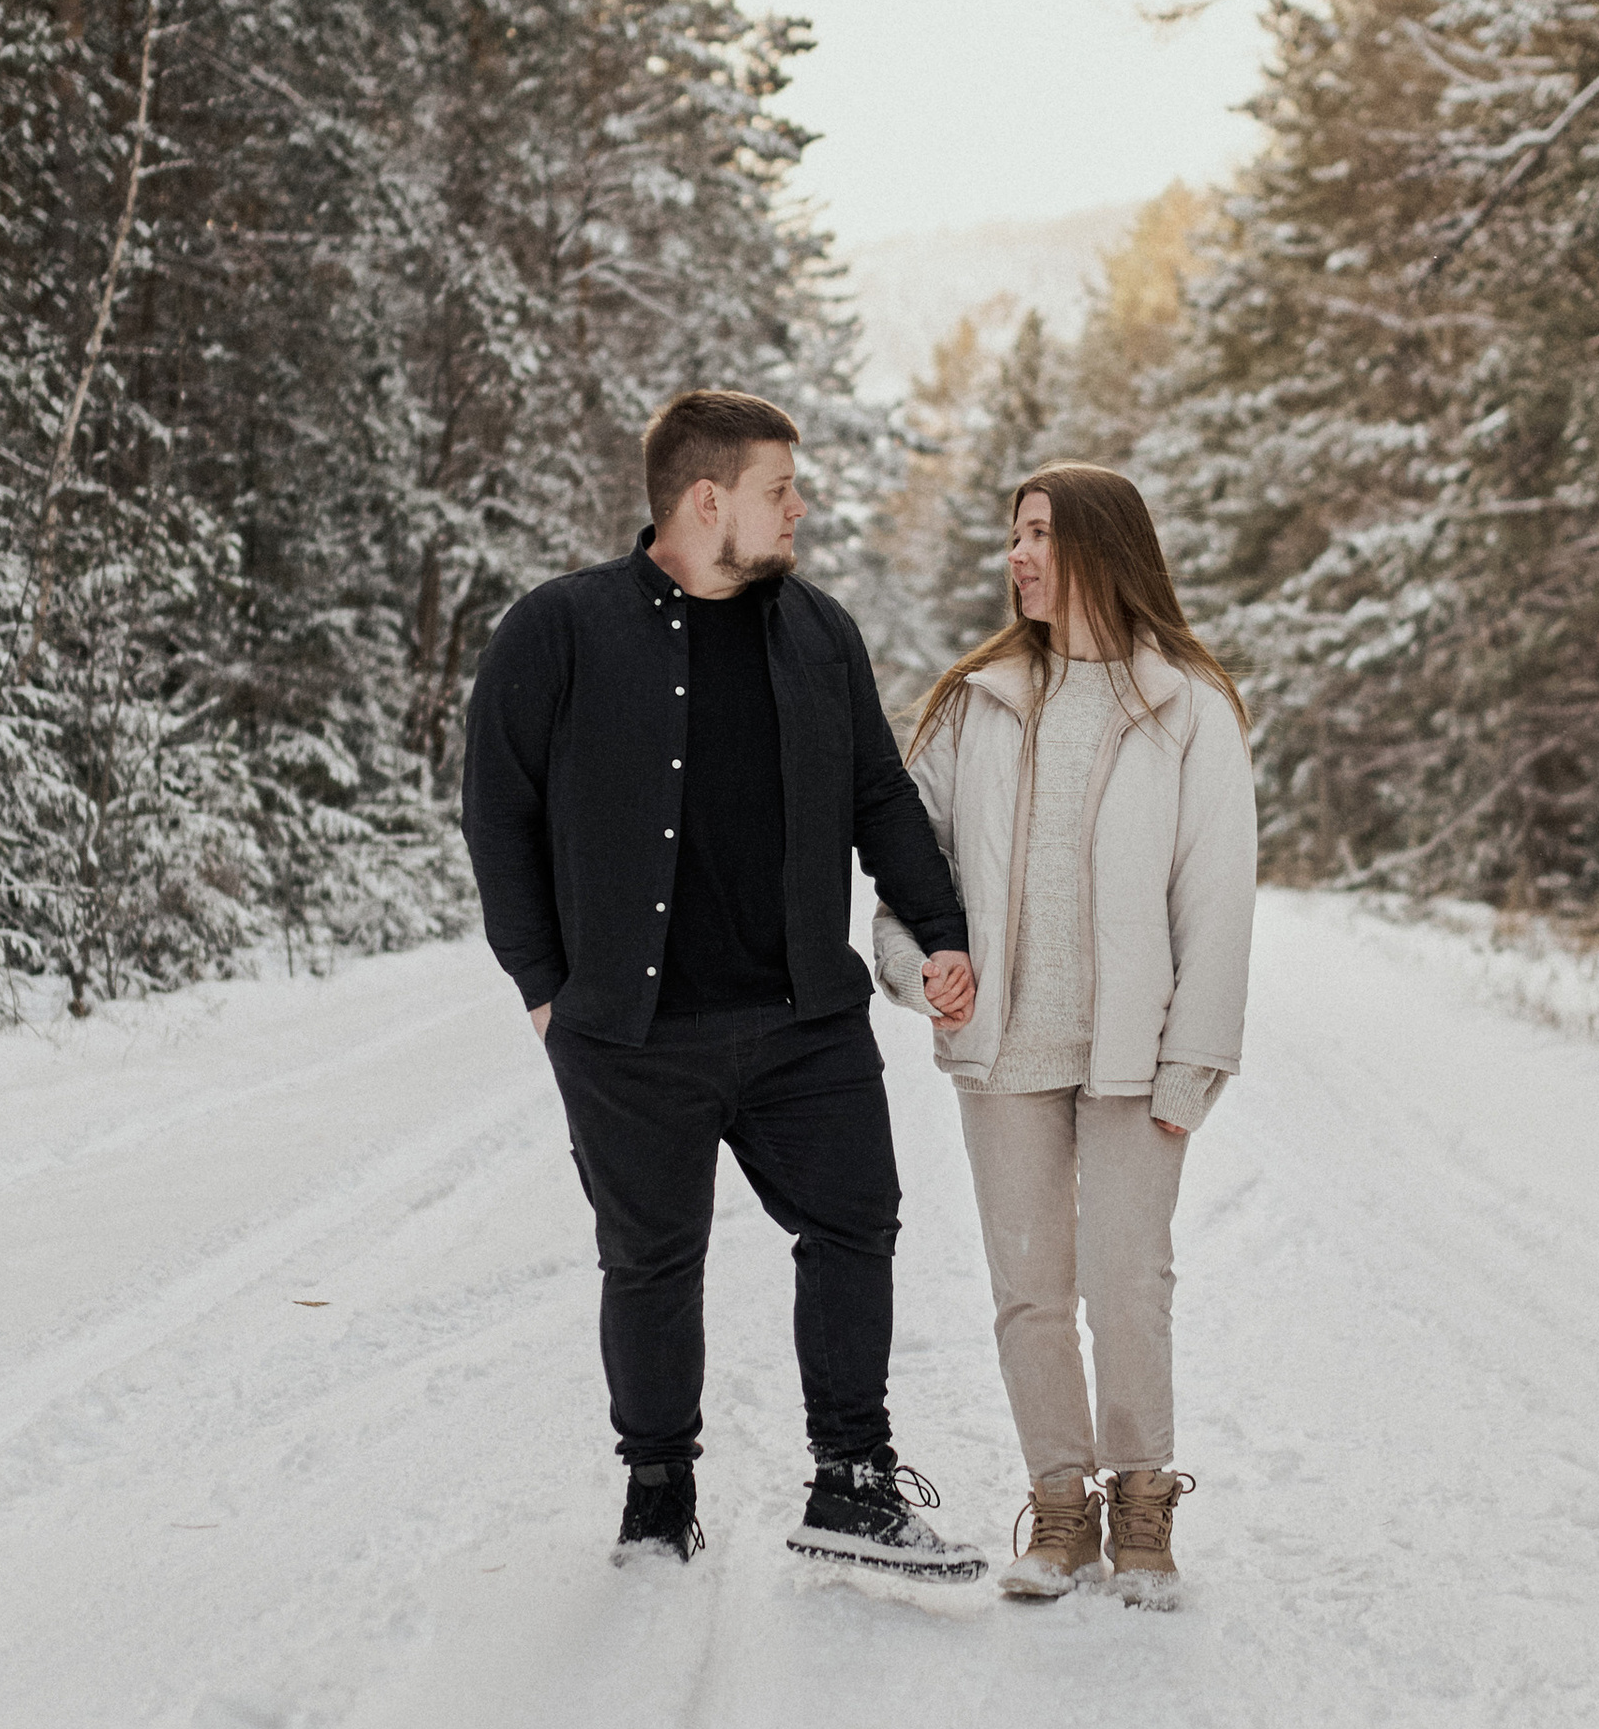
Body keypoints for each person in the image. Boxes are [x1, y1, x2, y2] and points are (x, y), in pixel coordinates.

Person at [460, 387, 983, 1576]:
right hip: (630, 1031)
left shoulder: (819, 633)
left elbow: (877, 795)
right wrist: (544, 988)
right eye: (780, 490)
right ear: (708, 500)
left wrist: (939, 927)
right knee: (651, 1262)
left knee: (856, 1224)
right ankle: (657, 1497)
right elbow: (498, 813)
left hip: (804, 1017)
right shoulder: (559, 630)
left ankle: (851, 1484)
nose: (800, 509)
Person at [874, 466, 1256, 1609]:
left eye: (1040, 535)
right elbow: (908, 869)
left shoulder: (1185, 703)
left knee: (1127, 1281)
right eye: (1013, 537)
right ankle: (1057, 1503)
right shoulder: (973, 702)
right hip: (1002, 1049)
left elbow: (1217, 899)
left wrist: (1197, 1060)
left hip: (1134, 1057)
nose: (1019, 557)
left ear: (1102, 547)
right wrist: (912, 966)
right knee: (1028, 1287)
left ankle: (1141, 1503)